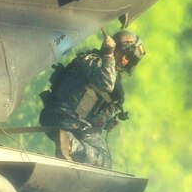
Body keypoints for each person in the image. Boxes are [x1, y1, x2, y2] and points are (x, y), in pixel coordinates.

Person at [38, 29, 145, 169]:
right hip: (69, 123)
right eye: (124, 54)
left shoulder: (93, 63)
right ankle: (70, 144)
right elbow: (106, 84)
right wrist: (108, 55)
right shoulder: (95, 62)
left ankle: (68, 148)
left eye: (129, 59)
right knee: (104, 160)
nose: (125, 60)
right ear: (115, 47)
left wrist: (106, 123)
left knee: (91, 150)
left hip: (56, 119)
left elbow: (88, 104)